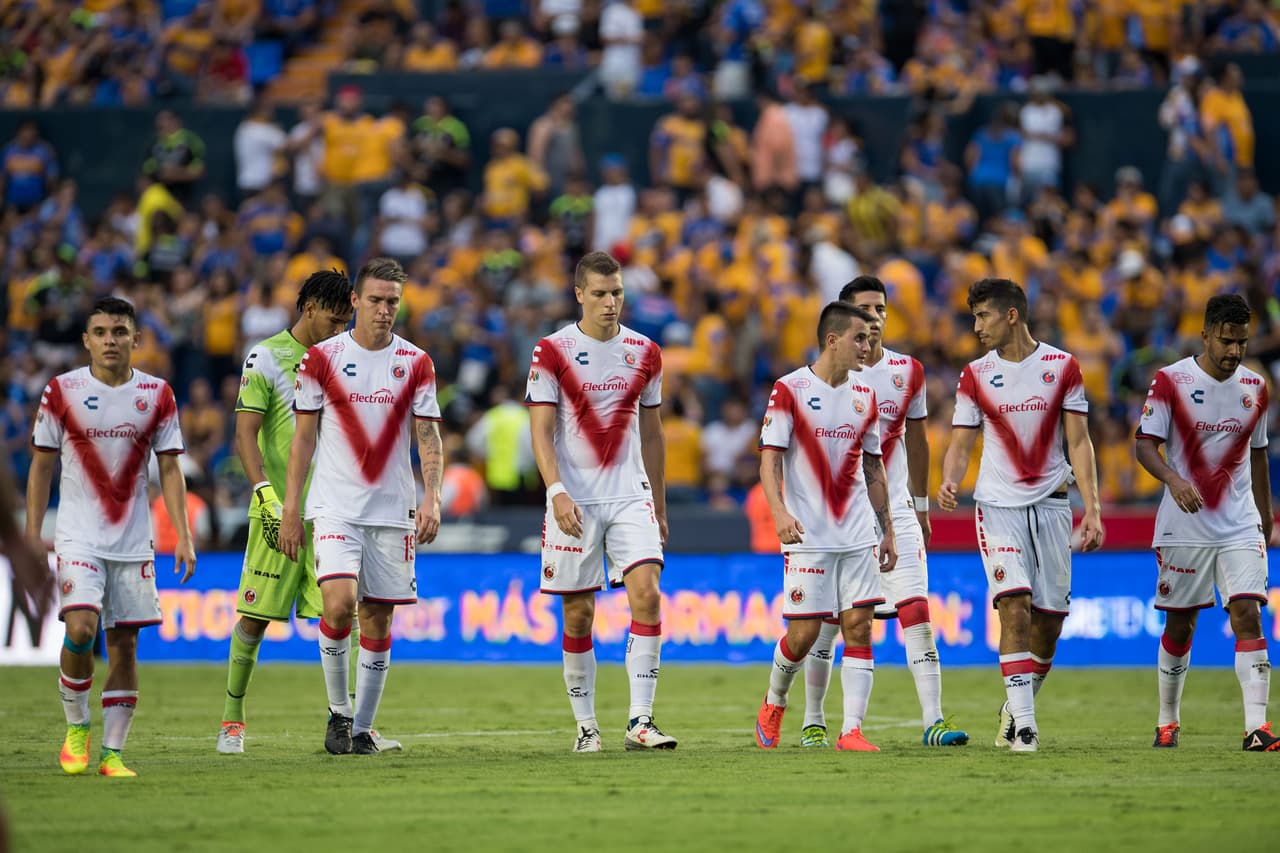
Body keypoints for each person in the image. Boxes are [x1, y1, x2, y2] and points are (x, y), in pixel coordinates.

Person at [216, 269, 407, 754]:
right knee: (256, 618)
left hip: (335, 513)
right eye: (334, 318)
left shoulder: (348, 358)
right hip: (280, 511)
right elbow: (244, 432)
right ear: (309, 309)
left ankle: (346, 722)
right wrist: (265, 496)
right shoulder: (266, 357)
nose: (341, 327)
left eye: (348, 319)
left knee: (348, 615)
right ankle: (232, 720)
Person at [788, 276, 969, 749]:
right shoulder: (824, 376)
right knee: (828, 624)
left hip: (896, 508)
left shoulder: (908, 371)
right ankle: (814, 719)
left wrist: (922, 505)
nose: (876, 318)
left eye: (882, 309)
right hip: (839, 513)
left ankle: (934, 720)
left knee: (916, 606)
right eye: (865, 309)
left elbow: (918, 437)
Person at [26, 296, 196, 777]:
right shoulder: (61, 392)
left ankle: (112, 753)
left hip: (133, 539)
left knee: (124, 645)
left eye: (119, 332)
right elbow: (40, 468)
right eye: (100, 332)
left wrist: (182, 534)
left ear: (136, 339)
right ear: (86, 340)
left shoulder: (158, 394)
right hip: (78, 536)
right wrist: (31, 536)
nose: (110, 340)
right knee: (80, 629)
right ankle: (77, 728)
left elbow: (170, 468)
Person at [279, 258, 444, 756]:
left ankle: (364, 731)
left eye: (392, 301)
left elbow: (428, 435)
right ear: (354, 301)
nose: (384, 310)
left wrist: (432, 495)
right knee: (339, 604)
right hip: (335, 508)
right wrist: (292, 507)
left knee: (378, 620)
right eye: (374, 300)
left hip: (393, 510)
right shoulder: (321, 360)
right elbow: (302, 441)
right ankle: (339, 714)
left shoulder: (416, 362)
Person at [937, 278, 1104, 753]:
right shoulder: (974, 375)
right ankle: (1027, 730)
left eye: (983, 315)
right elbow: (961, 442)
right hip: (997, 507)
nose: (976, 327)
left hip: (1053, 504)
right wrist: (951, 479)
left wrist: (1091, 507)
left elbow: (1079, 442)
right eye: (973, 317)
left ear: (1011, 315)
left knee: (1048, 624)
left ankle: (1016, 705)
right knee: (1013, 606)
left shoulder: (1062, 367)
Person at [525, 250, 677, 753]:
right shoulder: (552, 351)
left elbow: (653, 436)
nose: (610, 303)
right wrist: (556, 491)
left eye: (617, 293)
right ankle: (587, 727)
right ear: (579, 295)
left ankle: (641, 720)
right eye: (600, 294)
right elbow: (541, 433)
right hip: (575, 499)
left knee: (648, 595)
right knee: (578, 616)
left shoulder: (647, 352)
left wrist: (658, 503)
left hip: (630, 495)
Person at [753, 301, 898, 753]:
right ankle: (774, 700)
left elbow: (874, 467)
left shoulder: (865, 395)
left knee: (859, 626)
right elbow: (769, 459)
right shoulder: (789, 389)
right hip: (808, 534)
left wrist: (887, 528)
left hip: (857, 533)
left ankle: (851, 730)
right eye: (860, 337)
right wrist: (779, 511)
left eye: (871, 338)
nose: (868, 345)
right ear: (832, 339)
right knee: (804, 635)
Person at [1135, 294, 1278, 751]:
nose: (1234, 351)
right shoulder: (1170, 381)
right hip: (1184, 524)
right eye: (1226, 341)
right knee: (1181, 626)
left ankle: (1257, 728)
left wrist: (1265, 513)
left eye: (1242, 342)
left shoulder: (1256, 386)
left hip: (1239, 523)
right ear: (1206, 334)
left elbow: (1258, 455)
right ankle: (1167, 720)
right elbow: (1143, 445)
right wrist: (1174, 479)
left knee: (1247, 614)